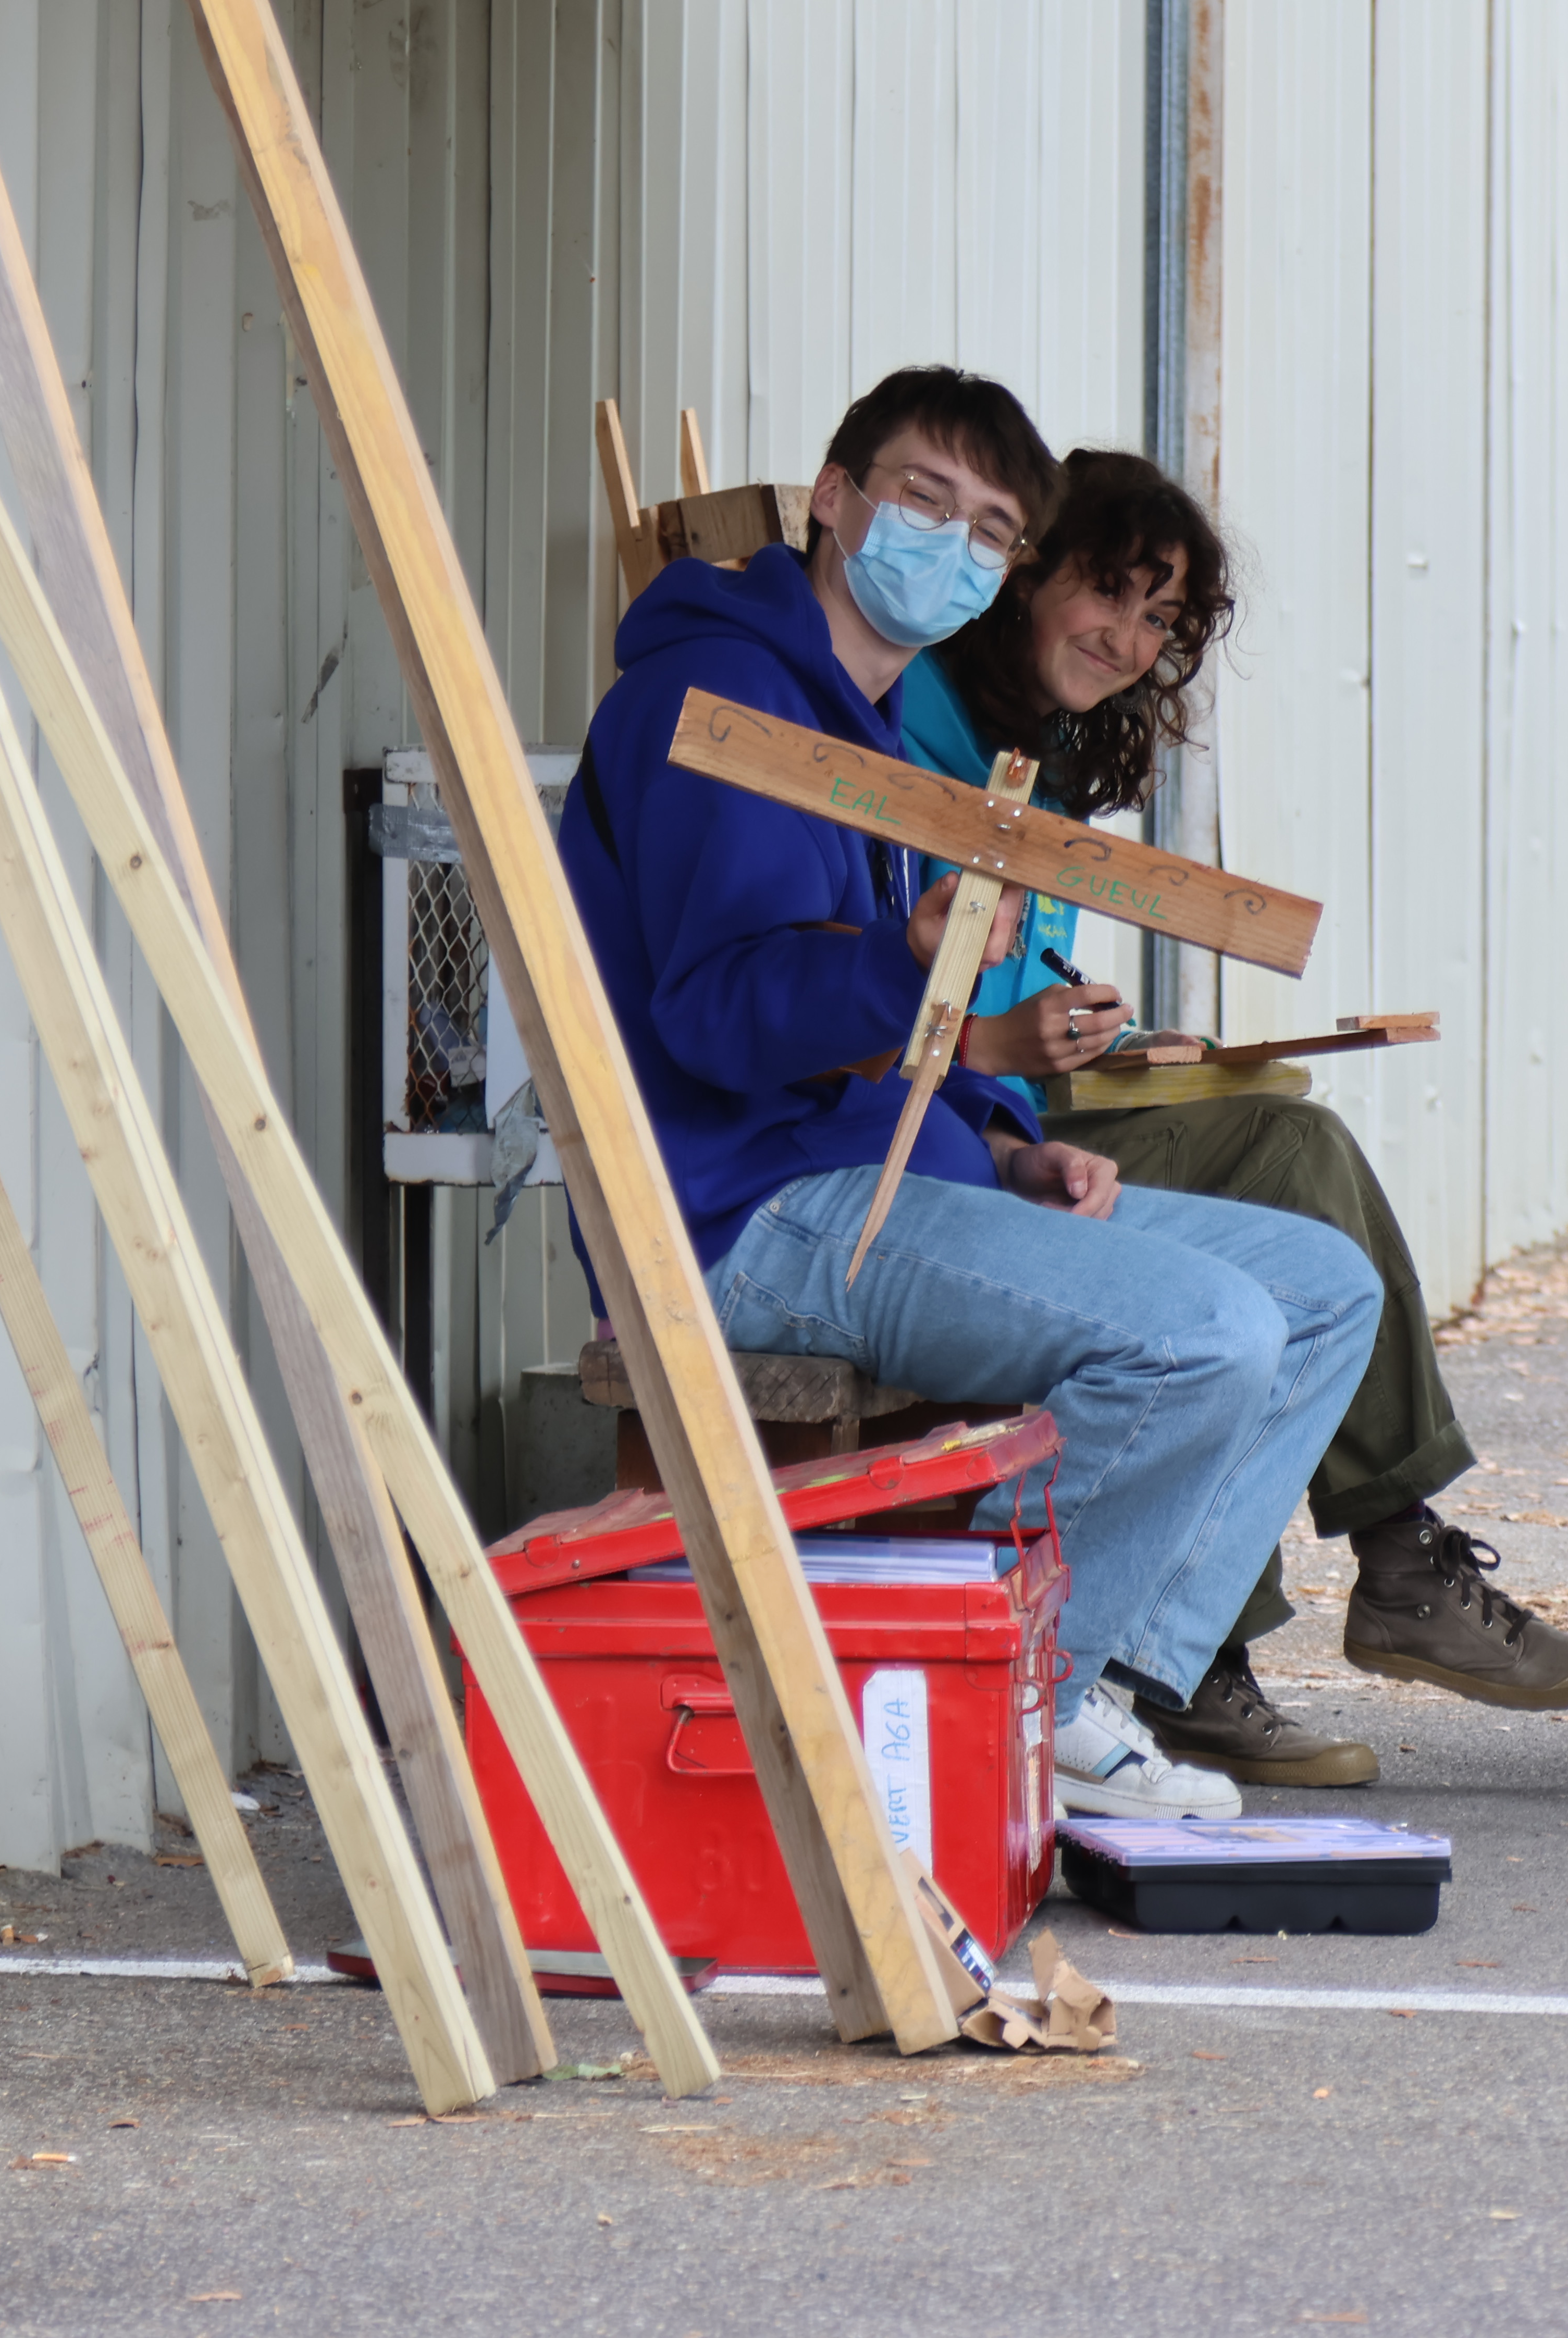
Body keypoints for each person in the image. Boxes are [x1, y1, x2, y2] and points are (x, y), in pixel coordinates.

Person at [555, 365, 1383, 1822]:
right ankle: (995, 1692)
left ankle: (1090, 1680)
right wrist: (900, 959)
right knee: (1208, 1334)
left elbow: (904, 1050)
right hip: (740, 1216)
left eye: (990, 530)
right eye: (922, 501)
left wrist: (1004, 1151)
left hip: (865, 1176)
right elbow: (718, 1021)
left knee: (1320, 1288)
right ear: (835, 498)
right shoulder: (725, 702)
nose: (951, 544)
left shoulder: (868, 731)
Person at [893, 448, 1568, 1787]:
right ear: (1023, 576)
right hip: (937, 1159)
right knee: (1289, 1164)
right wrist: (1014, 1051)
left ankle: (1300, 1608)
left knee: (1291, 1140)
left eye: (1160, 618)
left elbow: (998, 995)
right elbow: (909, 1010)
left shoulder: (1026, 747)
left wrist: (1103, 1044)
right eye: (1107, 592)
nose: (1129, 640)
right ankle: (1277, 1619)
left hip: (1013, 1121)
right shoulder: (914, 731)